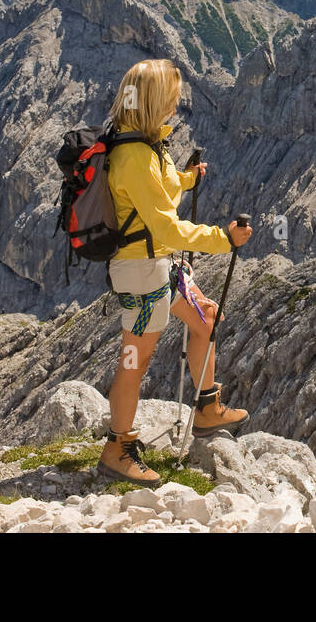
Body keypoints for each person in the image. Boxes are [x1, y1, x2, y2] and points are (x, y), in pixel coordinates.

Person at [95, 58, 252, 486]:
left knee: (206, 317)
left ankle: (206, 406)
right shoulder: (135, 157)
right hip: (142, 271)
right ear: (151, 103)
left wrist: (185, 178)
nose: (176, 107)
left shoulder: (146, 146)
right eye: (169, 100)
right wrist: (222, 238)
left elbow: (158, 189)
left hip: (160, 264)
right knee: (134, 361)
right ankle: (118, 448)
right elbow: (165, 225)